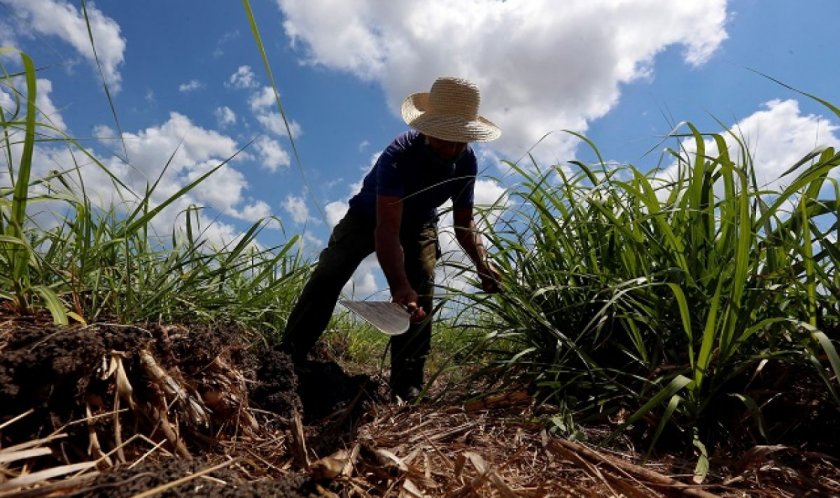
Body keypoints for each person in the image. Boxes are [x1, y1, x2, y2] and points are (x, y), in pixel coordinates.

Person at [280, 76, 502, 401]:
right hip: (368, 216)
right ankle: (288, 357)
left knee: (422, 286)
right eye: (445, 138)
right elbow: (386, 229)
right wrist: (398, 285)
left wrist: (483, 263)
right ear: (427, 128)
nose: (452, 148)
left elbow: (464, 222)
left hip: (421, 222)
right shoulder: (399, 154)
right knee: (330, 272)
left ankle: (406, 384)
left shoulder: (466, 162)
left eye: (461, 140)